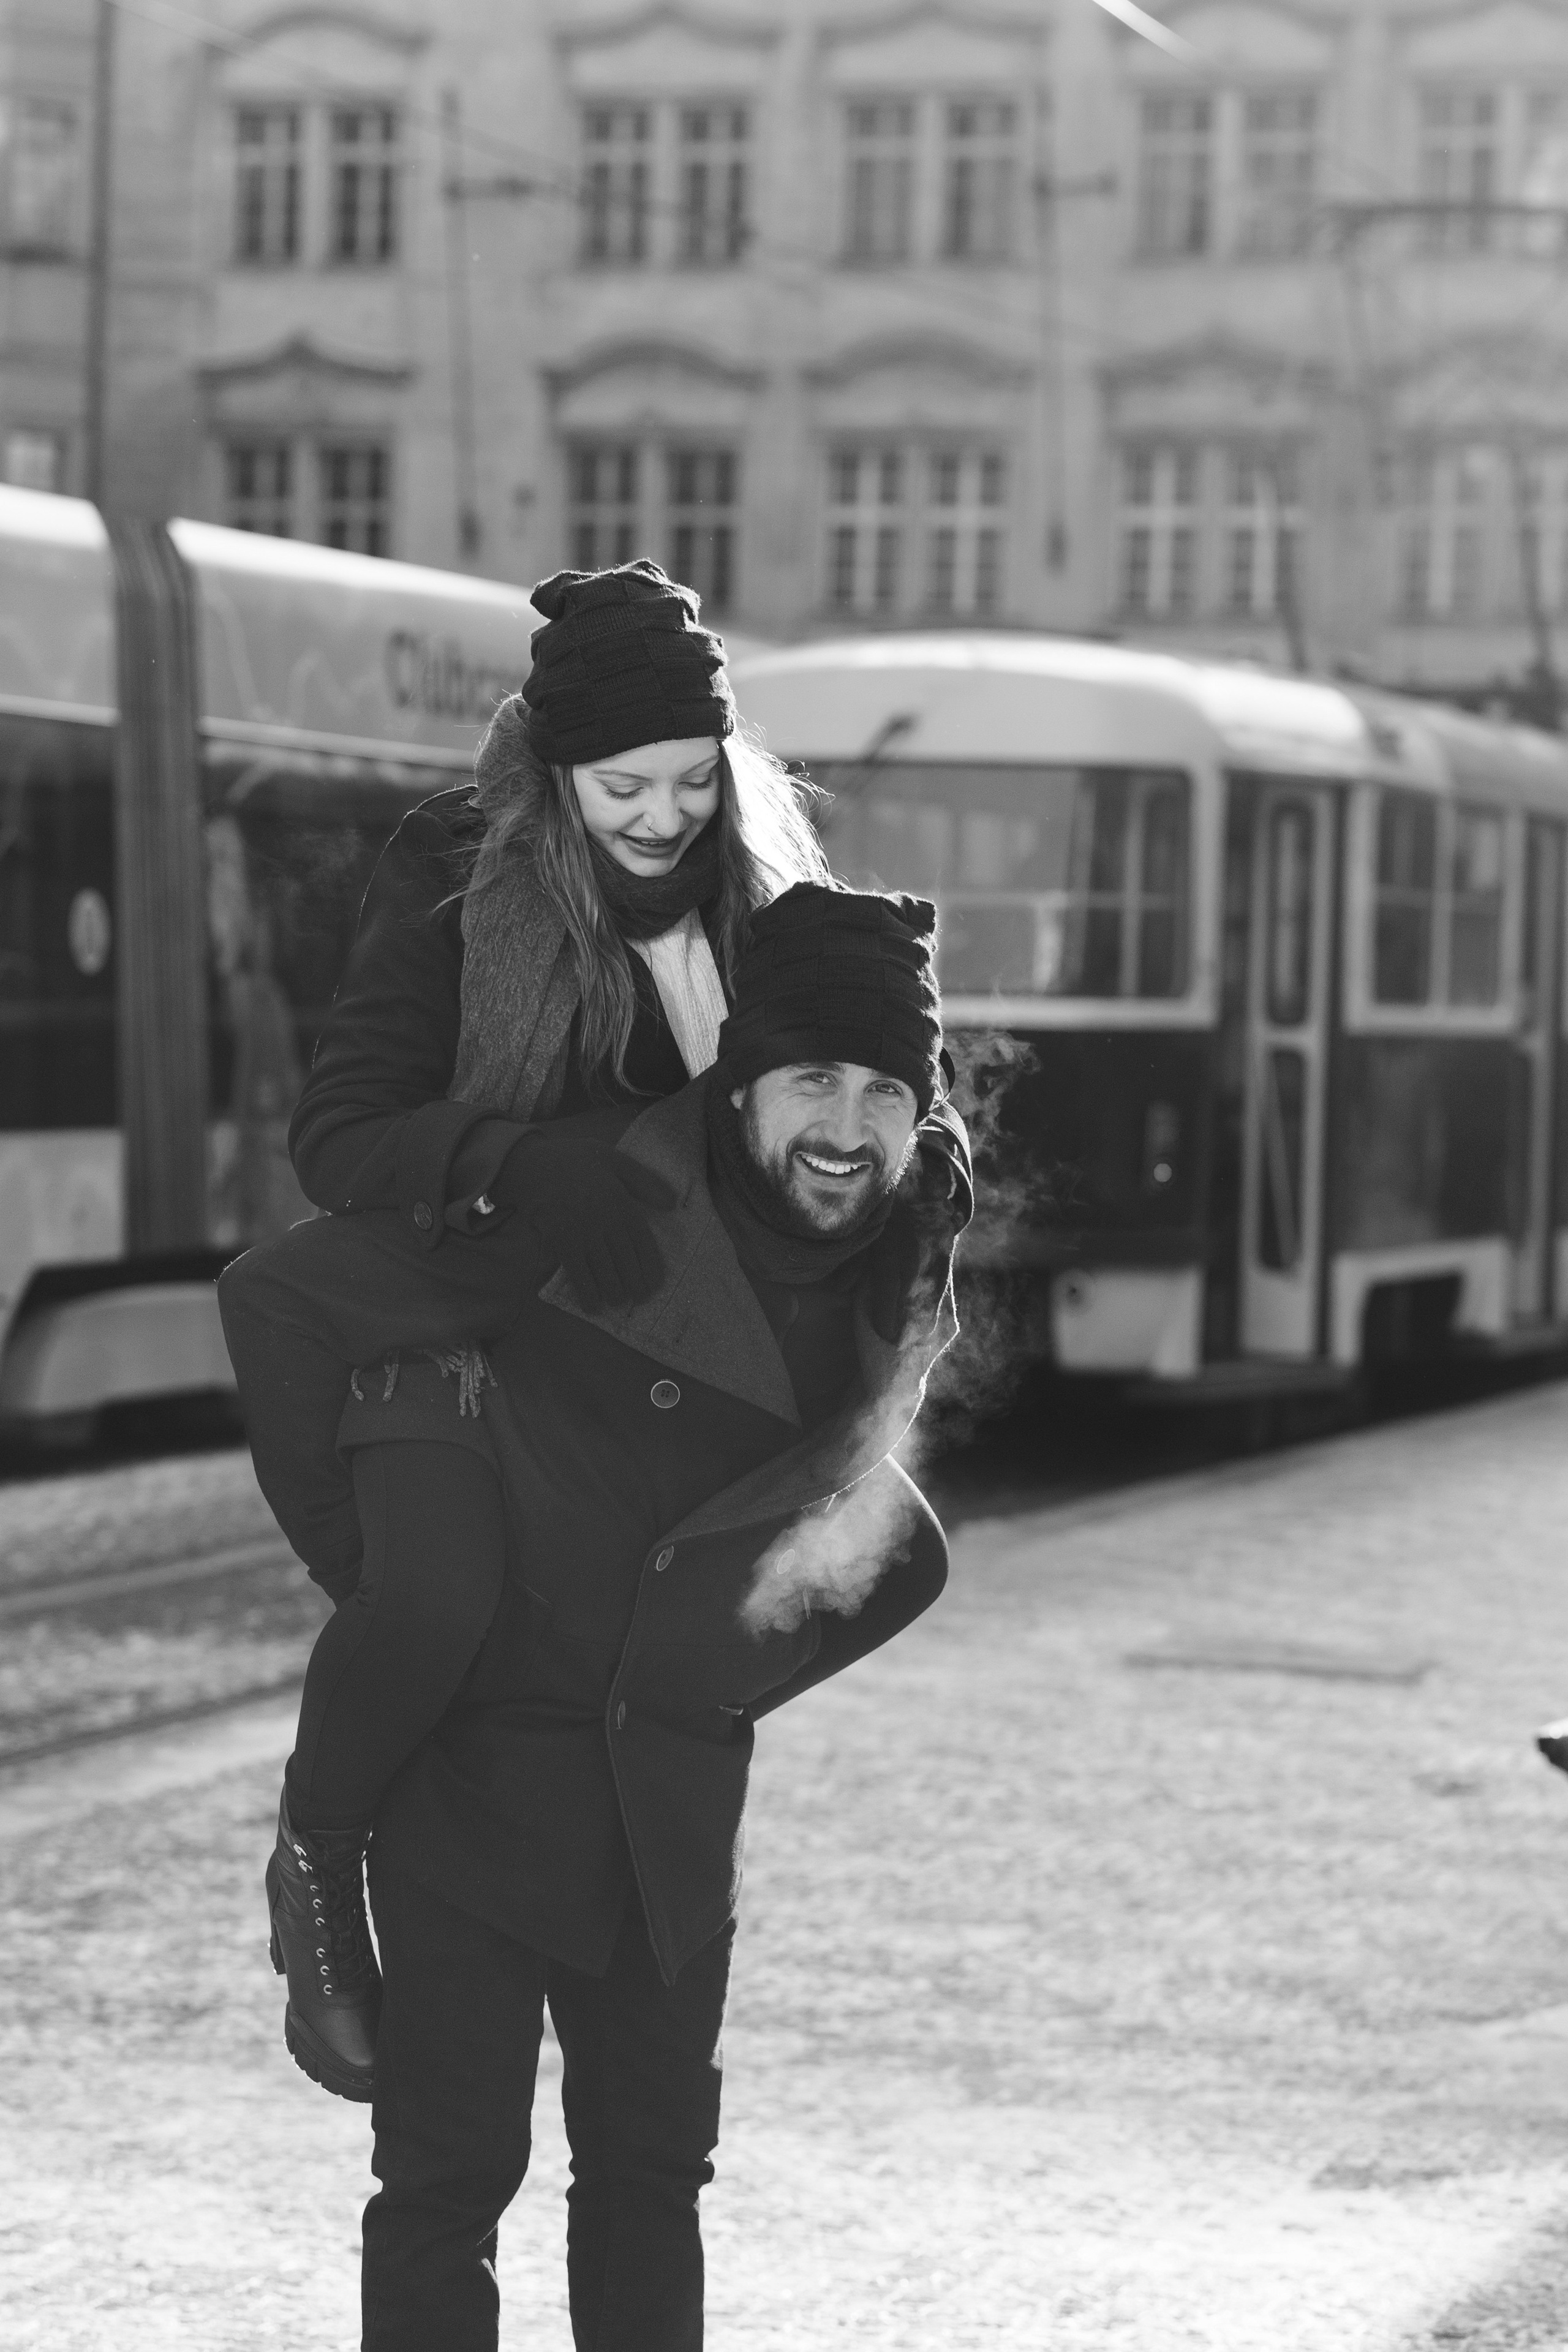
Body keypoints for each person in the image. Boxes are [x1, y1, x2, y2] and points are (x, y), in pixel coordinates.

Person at [218, 559, 973, 2103]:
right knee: (436, 1598)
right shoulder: (458, 874)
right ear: (551, 775)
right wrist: (520, 1164)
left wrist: (926, 1155)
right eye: (621, 786)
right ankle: (320, 1866)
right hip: (460, 1321)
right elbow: (340, 1138)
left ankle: (649, 1726)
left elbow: (860, 1058)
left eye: (692, 783)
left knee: (893, 1559)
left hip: (674, 1355)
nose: (659, 818)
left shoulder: (765, 894)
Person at [222, 882, 967, 2351]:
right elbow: (279, 1303)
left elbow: (895, 1547)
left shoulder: (898, 1245)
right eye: (811, 1077)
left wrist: (708, 1671)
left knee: (649, 2183)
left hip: (665, 1821)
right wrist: (377, 1580)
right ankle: (311, 1855)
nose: (847, 1122)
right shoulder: (603, 1200)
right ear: (740, 1080)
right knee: (448, 2184)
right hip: (477, 1790)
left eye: (886, 1089)